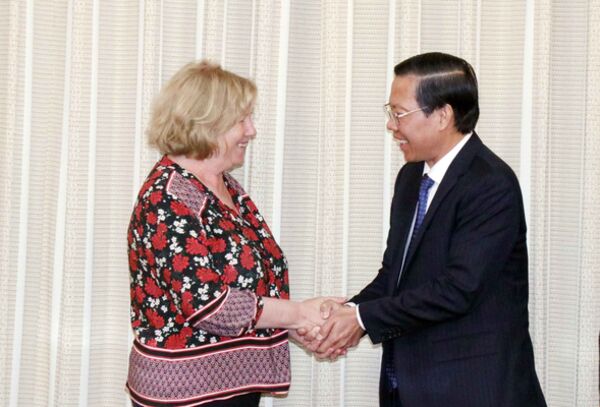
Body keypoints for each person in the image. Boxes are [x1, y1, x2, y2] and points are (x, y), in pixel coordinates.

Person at [314, 52, 547, 407]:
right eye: (390, 112)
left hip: (473, 390)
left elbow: (458, 289)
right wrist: (346, 313)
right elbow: (395, 276)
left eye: (399, 113)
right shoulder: (411, 178)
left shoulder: (490, 183)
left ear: (442, 115)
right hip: (409, 386)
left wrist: (361, 318)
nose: (391, 125)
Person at [125, 61, 336, 407]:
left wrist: (297, 327)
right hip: (186, 393)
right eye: (241, 119)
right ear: (207, 122)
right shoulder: (168, 196)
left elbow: (253, 285)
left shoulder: (224, 186)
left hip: (231, 385)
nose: (251, 130)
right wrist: (299, 314)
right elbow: (208, 304)